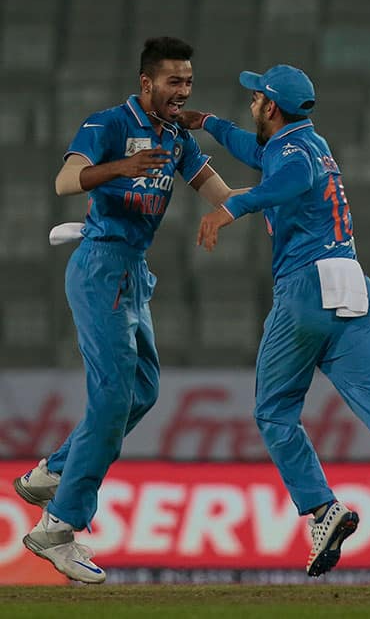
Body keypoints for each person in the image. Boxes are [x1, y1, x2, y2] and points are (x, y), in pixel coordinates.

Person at [178, 64, 370, 579]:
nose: (252, 104)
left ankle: (324, 511)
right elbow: (254, 151)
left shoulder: (294, 156)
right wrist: (207, 121)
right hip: (353, 283)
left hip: (306, 287)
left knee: (274, 412)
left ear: (271, 108)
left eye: (256, 98)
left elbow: (290, 178)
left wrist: (230, 209)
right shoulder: (307, 141)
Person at [13, 36, 247, 584]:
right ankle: (59, 527)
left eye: (187, 83)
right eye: (172, 82)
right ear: (146, 83)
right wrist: (122, 166)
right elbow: (65, 179)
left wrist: (278, 198)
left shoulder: (176, 137)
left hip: (133, 272)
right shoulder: (108, 123)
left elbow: (220, 192)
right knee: (115, 396)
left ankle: (53, 471)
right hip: (101, 266)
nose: (181, 92)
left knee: (142, 391)